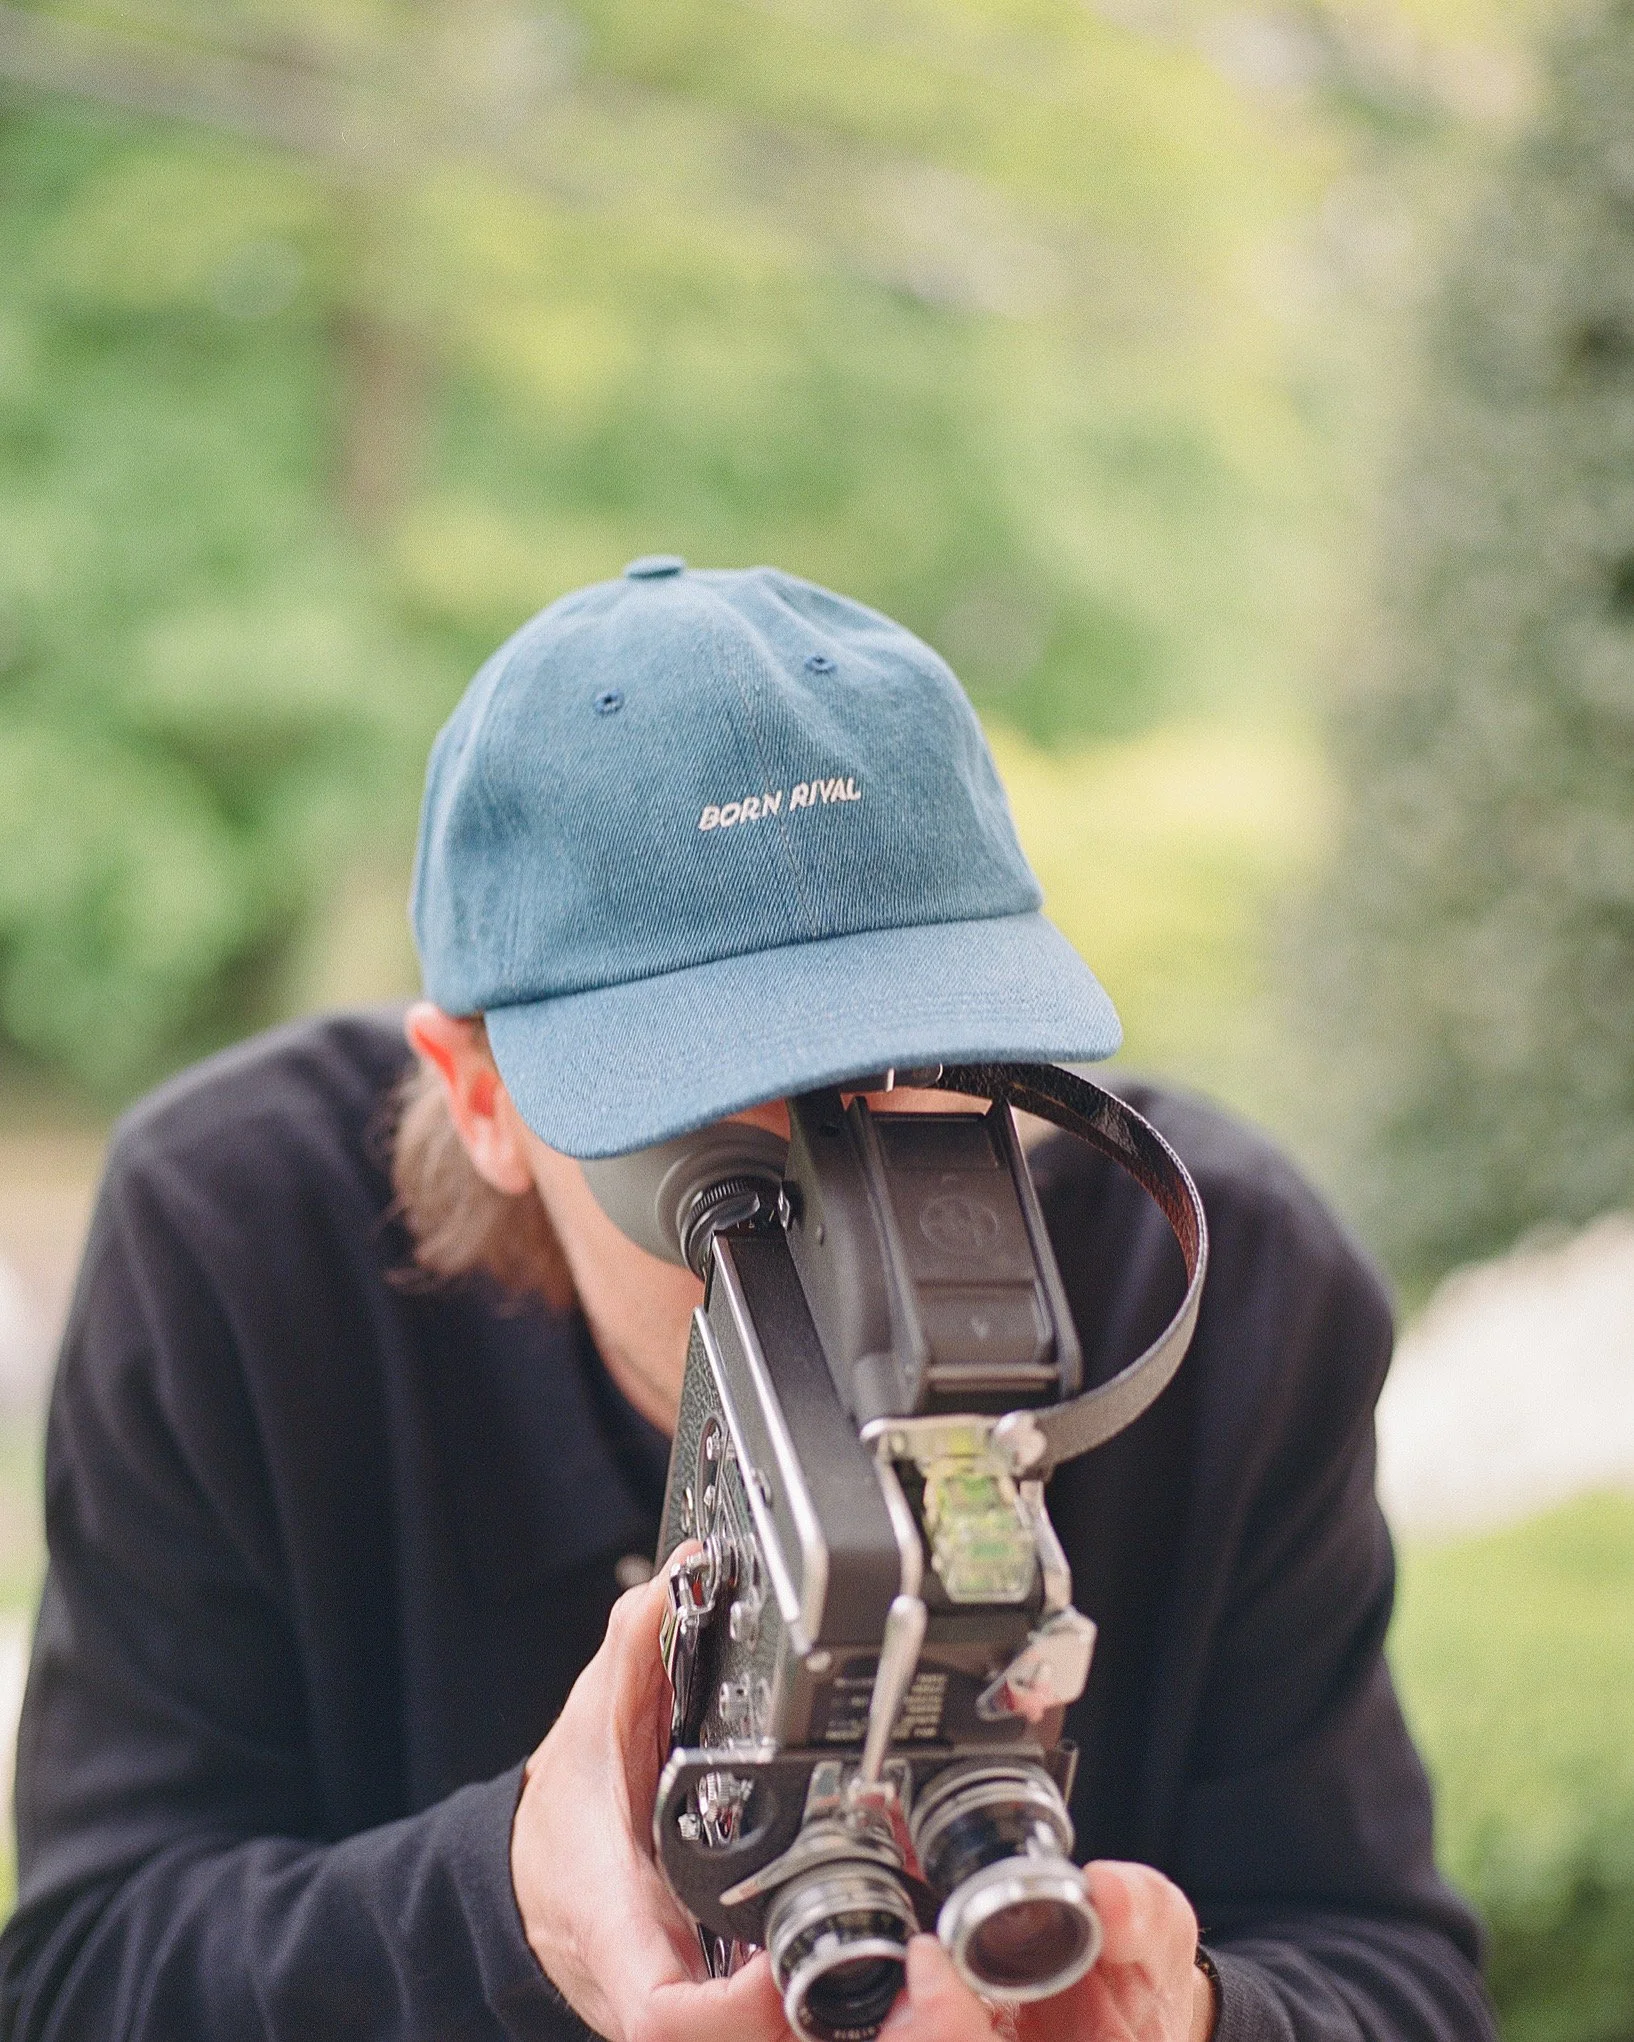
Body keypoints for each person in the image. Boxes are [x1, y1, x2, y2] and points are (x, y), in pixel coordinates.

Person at [0, 559, 1493, 2042]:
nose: (854, 1223)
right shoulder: (239, 1252)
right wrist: (498, 1913)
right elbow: (84, 1974)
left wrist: (1192, 2018)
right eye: (720, 1131)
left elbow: (1396, 1972)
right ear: (478, 1094)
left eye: (925, 1072)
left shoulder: (1234, 1294)